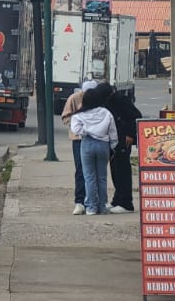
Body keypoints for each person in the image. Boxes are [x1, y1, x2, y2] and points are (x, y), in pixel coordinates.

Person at [69, 83, 118, 216]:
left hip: (87, 143)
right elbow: (113, 133)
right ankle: (102, 206)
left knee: (89, 177)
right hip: (103, 145)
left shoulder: (80, 114)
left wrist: (85, 132)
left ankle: (91, 207)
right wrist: (112, 147)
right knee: (102, 177)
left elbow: (75, 129)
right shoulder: (106, 113)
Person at [99, 81, 142, 213]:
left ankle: (126, 202)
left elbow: (135, 116)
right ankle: (117, 199)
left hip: (124, 139)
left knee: (122, 170)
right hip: (114, 140)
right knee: (115, 170)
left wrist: (130, 134)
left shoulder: (120, 100)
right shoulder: (109, 101)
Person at [60, 79, 95, 214]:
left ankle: (92, 200)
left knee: (94, 171)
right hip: (79, 139)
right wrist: (78, 124)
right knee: (81, 170)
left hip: (95, 138)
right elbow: (65, 117)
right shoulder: (74, 99)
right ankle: (80, 201)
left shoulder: (97, 99)